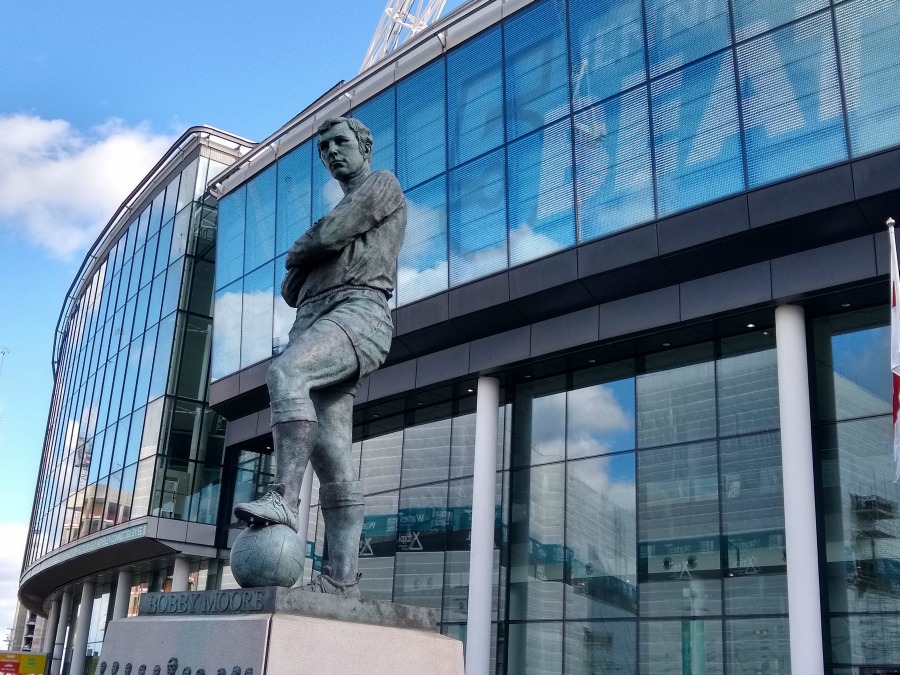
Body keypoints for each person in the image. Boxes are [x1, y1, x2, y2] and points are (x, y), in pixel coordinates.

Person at [233, 116, 406, 598]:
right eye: (324, 147)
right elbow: (292, 288)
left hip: (359, 310)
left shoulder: (382, 185)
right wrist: (311, 249)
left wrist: (311, 245)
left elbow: (324, 242)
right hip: (312, 318)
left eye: (340, 142)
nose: (331, 152)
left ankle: (283, 498)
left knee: (286, 373)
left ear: (363, 145)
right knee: (332, 456)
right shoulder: (341, 208)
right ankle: (341, 580)